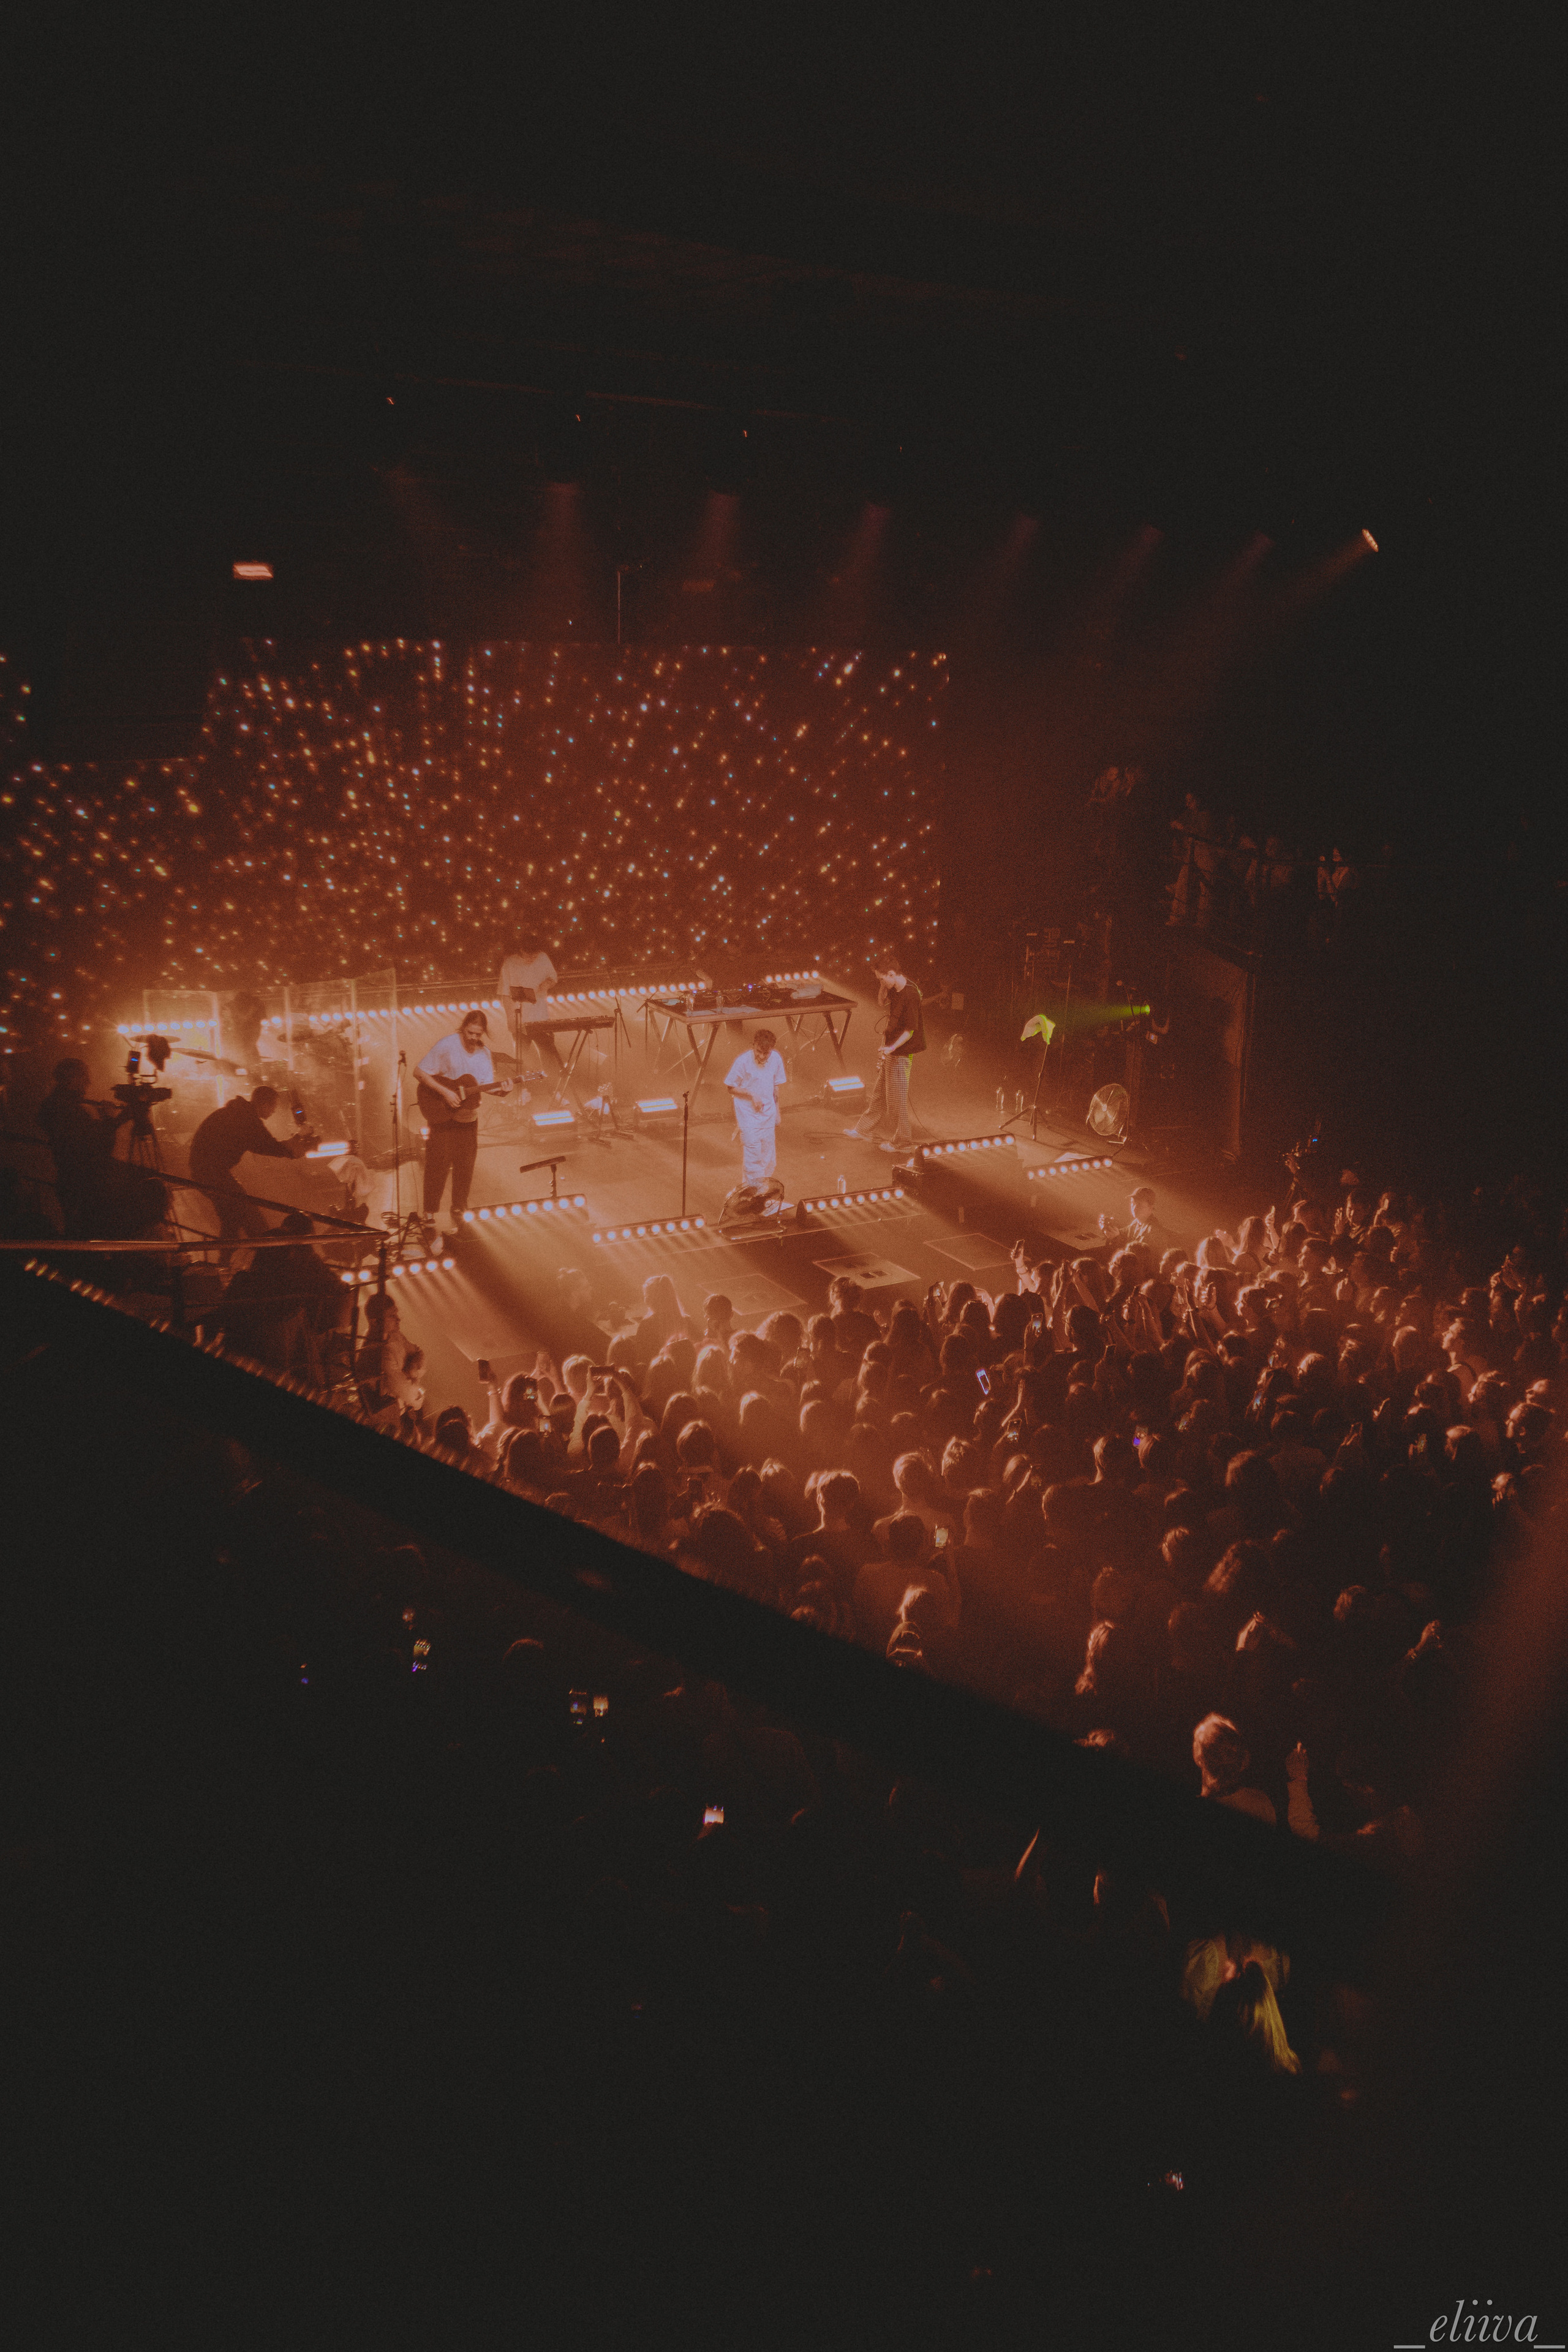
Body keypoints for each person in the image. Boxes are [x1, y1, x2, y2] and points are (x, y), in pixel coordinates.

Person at [188, 1085, 317, 1241]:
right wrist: (297, 1144)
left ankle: (232, 1257)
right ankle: (265, 1249)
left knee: (232, 1216)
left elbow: (263, 1144)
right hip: (210, 1171)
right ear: (264, 1105)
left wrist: (295, 1142)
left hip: (206, 1169)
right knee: (245, 1209)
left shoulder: (239, 1113)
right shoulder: (246, 1119)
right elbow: (269, 1146)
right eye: (273, 1107)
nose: (274, 1111)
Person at [415, 1009, 503, 1232]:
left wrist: (504, 1090)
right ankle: (429, 1213)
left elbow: (487, 1086)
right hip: (442, 1117)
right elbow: (419, 1072)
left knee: (465, 1166)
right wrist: (445, 1093)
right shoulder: (447, 1045)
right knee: (438, 1166)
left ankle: (459, 1208)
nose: (474, 1038)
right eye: (470, 1032)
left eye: (478, 1034)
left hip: (468, 1119)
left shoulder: (485, 1054)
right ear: (463, 1027)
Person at [846, 947, 924, 1154]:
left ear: (892, 974)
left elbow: (910, 1031)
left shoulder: (911, 995)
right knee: (879, 1093)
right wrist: (882, 989)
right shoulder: (893, 989)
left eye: (882, 980)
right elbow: (881, 1003)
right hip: (891, 1047)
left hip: (902, 1051)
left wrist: (892, 1047)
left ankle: (903, 1142)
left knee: (896, 1100)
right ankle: (863, 1129)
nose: (882, 983)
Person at [36, 1058, 120, 1235]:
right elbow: (99, 1146)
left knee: (75, 1227)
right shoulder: (68, 1110)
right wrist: (108, 1119)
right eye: (85, 1077)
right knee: (86, 1231)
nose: (88, 1082)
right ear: (72, 1079)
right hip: (84, 1184)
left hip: (68, 1180)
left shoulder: (54, 1105)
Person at [725, 1027, 787, 1186]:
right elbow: (730, 1087)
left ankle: (757, 1192)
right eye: (758, 1051)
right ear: (754, 1045)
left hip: (768, 1115)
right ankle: (754, 1194)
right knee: (753, 1159)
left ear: (772, 1050)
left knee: (769, 1160)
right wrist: (752, 1095)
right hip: (748, 1117)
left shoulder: (776, 1059)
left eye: (766, 1053)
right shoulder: (743, 1061)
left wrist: (778, 1113)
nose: (761, 1056)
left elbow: (775, 1087)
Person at [499, 933, 564, 1079]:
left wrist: (547, 983)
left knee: (548, 1055)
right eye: (529, 956)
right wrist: (510, 1020)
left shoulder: (543, 958)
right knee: (522, 1060)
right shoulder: (510, 963)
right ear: (521, 950)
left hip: (541, 1018)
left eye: (535, 956)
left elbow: (553, 978)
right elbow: (504, 994)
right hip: (520, 1020)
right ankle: (524, 1092)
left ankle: (555, 1089)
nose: (532, 959)